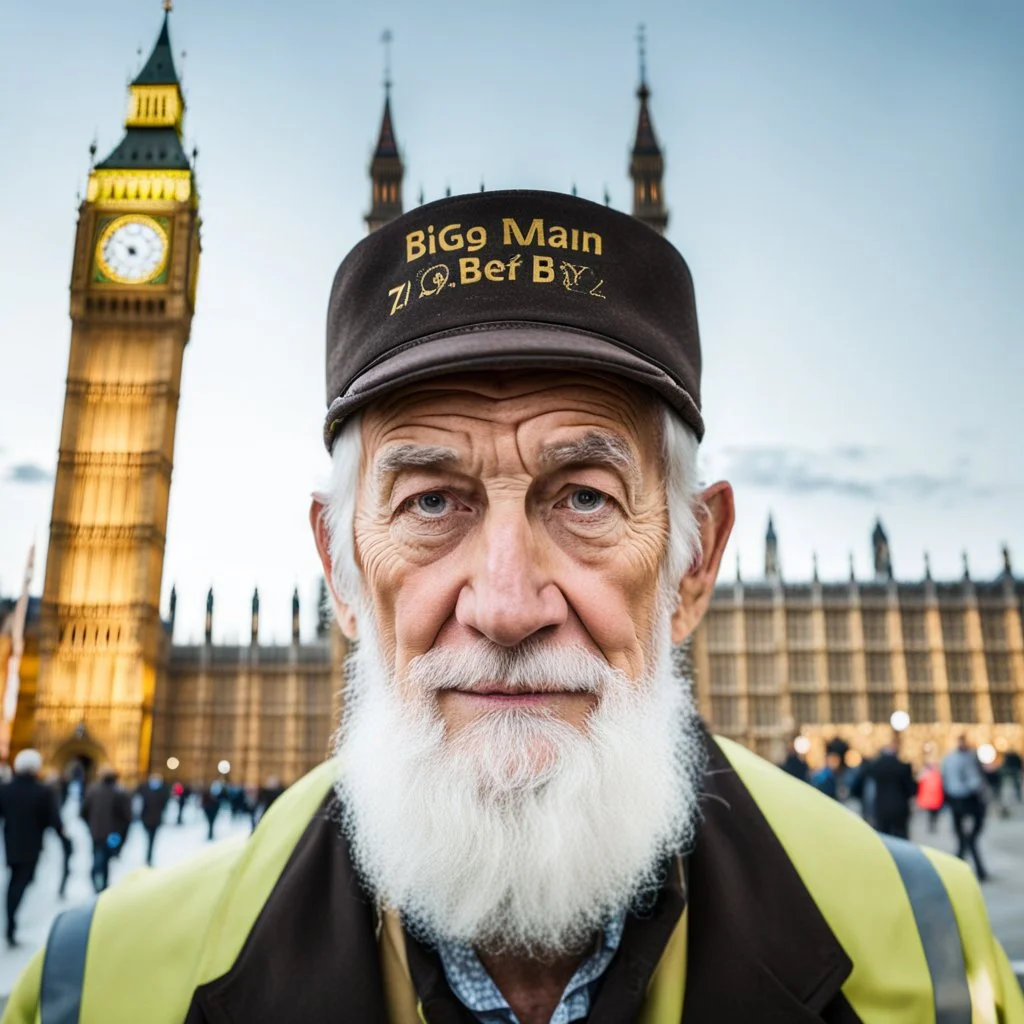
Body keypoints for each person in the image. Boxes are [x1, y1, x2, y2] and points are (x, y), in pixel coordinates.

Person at [7, 192, 1022, 1022]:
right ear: (340, 565)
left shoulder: (935, 959)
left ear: (695, 560)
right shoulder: (93, 988)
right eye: (430, 500)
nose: (504, 603)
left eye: (584, 496)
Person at [0, 749, 71, 947]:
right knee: (21, 881)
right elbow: (54, 820)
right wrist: (65, 839)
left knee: (15, 880)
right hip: (32, 845)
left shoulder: (6, 789)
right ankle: (11, 924)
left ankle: (10, 921)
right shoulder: (43, 791)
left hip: (11, 842)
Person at [942, 734, 990, 881]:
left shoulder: (958, 758)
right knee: (966, 839)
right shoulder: (962, 759)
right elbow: (974, 780)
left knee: (966, 839)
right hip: (965, 800)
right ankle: (970, 868)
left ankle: (959, 866)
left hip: (963, 800)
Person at [81, 766, 132, 893]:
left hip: (97, 833)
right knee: (104, 861)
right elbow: (127, 817)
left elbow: (83, 812)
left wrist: (91, 825)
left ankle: (98, 885)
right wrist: (121, 835)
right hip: (113, 836)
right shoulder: (120, 793)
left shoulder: (93, 791)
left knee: (98, 860)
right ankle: (102, 886)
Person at [858, 735, 916, 839]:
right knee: (901, 837)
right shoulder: (902, 767)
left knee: (884, 838)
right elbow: (911, 789)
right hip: (899, 807)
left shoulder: (876, 766)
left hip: (881, 807)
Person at [136, 773, 171, 867]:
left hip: (155, 819)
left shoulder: (163, 790)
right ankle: (148, 856)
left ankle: (149, 857)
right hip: (147, 818)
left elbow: (165, 803)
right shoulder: (144, 788)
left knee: (151, 839)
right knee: (149, 838)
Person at [916, 759, 945, 833]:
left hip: (933, 798)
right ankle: (932, 825)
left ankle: (932, 825)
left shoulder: (927, 774)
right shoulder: (936, 774)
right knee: (933, 813)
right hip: (934, 798)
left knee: (932, 813)